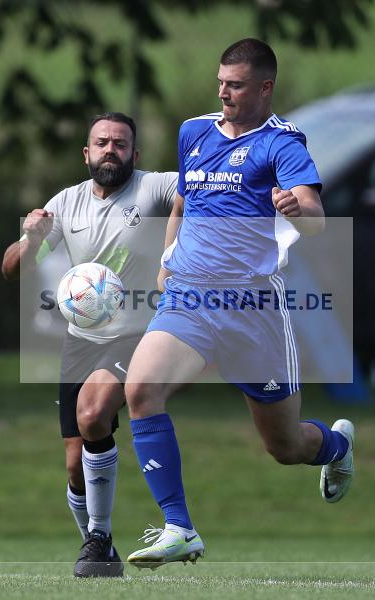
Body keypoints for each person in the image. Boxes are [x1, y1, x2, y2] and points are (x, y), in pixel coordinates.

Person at [122, 38, 355, 569]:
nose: (223, 92)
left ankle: (336, 448)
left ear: (265, 88)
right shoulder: (194, 132)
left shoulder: (282, 144)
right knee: (140, 389)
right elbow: (183, 198)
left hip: (253, 311)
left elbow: (316, 218)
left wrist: (298, 206)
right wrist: (165, 261)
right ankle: (179, 527)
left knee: (285, 446)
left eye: (237, 84)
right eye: (221, 82)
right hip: (189, 298)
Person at [1, 112, 178, 576]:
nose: (110, 150)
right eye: (101, 143)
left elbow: (204, 185)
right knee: (75, 464)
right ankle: (100, 549)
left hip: (139, 335)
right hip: (81, 341)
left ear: (134, 155)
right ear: (86, 153)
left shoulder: (153, 188)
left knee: (94, 413)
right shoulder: (66, 202)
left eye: (120, 144)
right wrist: (31, 239)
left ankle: (98, 538)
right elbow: (10, 268)